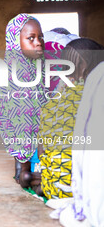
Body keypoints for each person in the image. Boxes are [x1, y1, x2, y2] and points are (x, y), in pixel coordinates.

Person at [38, 38, 104, 200]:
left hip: (53, 189)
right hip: (87, 191)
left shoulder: (51, 104)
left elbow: (41, 152)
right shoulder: (96, 97)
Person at [55, 40, 104, 227]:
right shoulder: (86, 84)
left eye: (71, 67)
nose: (69, 75)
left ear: (83, 66)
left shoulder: (95, 82)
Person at [0, 13, 47, 188]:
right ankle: (22, 164)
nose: (38, 42)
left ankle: (29, 166)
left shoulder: (40, 66)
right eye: (31, 38)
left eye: (40, 37)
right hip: (24, 139)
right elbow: (13, 121)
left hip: (39, 137)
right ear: (15, 43)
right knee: (22, 117)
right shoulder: (13, 73)